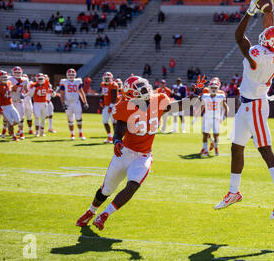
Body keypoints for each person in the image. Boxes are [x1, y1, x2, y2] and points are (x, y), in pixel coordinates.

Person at [75, 75, 201, 230]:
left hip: (143, 155)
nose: (144, 89)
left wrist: (194, 97)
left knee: (133, 185)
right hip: (125, 153)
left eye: (143, 85)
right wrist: (117, 141)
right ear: (130, 95)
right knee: (106, 189)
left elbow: (176, 106)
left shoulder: (158, 99)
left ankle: (105, 215)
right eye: (138, 88)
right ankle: (91, 211)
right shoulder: (124, 106)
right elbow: (118, 131)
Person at [214, 0, 274, 219]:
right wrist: (269, 11)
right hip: (247, 105)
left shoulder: (258, 56)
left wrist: (250, 12)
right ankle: (233, 192)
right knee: (236, 147)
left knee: (265, 149)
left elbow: (239, 37)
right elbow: (271, 32)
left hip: (255, 106)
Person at [199, 78, 228, 157]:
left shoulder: (221, 95)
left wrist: (224, 116)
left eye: (215, 88)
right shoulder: (205, 95)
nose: (214, 89)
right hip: (207, 117)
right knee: (205, 134)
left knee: (216, 135)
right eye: (212, 88)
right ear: (209, 88)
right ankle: (205, 150)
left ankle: (216, 147)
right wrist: (198, 114)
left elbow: (225, 107)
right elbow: (202, 106)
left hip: (216, 118)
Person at [59, 69, 89, 140]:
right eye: (70, 75)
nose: (71, 76)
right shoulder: (64, 82)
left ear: (75, 75)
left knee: (79, 118)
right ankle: (72, 134)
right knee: (70, 119)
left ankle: (80, 133)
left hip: (76, 102)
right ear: (67, 75)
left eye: (72, 75)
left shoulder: (77, 81)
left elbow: (81, 92)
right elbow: (62, 94)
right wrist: (63, 103)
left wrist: (85, 102)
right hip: (68, 103)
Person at [0, 71, 20, 141]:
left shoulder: (9, 82)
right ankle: (13, 135)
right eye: (2, 77)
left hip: (11, 105)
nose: (4, 78)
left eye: (5, 77)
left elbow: (10, 89)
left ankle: (7, 128)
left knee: (18, 120)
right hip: (4, 107)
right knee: (11, 122)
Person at [8, 66, 29, 139]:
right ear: (13, 73)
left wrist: (24, 95)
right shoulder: (9, 79)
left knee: (21, 117)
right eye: (16, 72)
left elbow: (27, 90)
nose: (17, 74)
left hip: (20, 100)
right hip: (10, 101)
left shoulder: (25, 80)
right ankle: (11, 131)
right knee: (11, 118)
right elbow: (10, 89)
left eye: (19, 72)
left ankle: (21, 132)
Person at [100, 72, 118, 144]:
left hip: (113, 105)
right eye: (105, 79)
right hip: (106, 106)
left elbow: (114, 97)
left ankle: (116, 137)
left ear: (111, 79)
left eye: (108, 79)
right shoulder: (102, 84)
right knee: (105, 121)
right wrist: (101, 100)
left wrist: (111, 106)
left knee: (114, 122)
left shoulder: (113, 85)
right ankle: (109, 137)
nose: (107, 80)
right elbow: (102, 94)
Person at [29, 73, 50, 137]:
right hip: (37, 103)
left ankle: (42, 132)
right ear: (36, 79)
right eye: (39, 79)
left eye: (41, 78)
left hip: (44, 103)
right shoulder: (33, 85)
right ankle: (37, 132)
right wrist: (34, 88)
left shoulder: (46, 83)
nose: (40, 80)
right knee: (37, 117)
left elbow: (47, 79)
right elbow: (31, 95)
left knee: (43, 118)